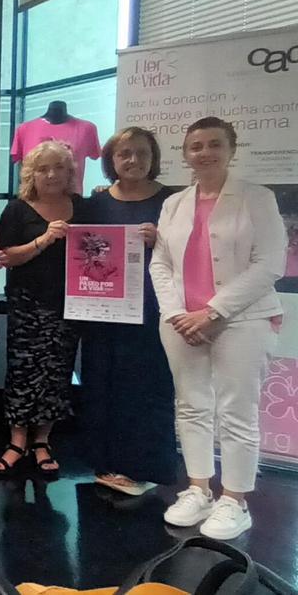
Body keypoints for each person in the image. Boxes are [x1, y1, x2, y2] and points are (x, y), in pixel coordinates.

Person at [151, 117, 285, 540]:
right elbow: (161, 263)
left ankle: (235, 499)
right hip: (180, 322)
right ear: (185, 153)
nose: (204, 152)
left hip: (241, 320)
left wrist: (212, 312)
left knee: (236, 411)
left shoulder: (255, 198)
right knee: (190, 405)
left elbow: (270, 264)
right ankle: (198, 489)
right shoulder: (174, 203)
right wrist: (176, 313)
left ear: (231, 148)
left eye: (214, 144)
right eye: (196, 146)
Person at [78, 128, 178, 496]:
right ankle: (104, 462)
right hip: (101, 309)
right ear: (111, 161)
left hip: (152, 309)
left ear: (153, 158)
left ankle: (144, 467)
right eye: (125, 154)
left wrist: (163, 241)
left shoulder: (173, 202)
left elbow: (197, 254)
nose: (133, 160)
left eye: (141, 153)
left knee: (148, 387)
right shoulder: (94, 204)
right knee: (102, 382)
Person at [0, 140, 80, 476]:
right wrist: (43, 240)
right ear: (31, 173)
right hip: (27, 302)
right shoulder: (17, 209)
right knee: (23, 371)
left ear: (69, 172)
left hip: (70, 304)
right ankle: (17, 441)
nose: (51, 174)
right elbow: (5, 257)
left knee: (57, 373)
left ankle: (43, 440)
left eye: (59, 167)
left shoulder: (82, 207)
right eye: (43, 168)